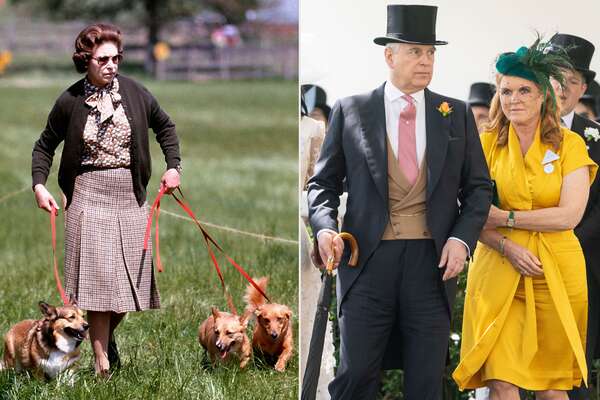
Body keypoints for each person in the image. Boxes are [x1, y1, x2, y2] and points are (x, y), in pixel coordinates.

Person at [307, 5, 492, 399]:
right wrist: (324, 229)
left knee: (426, 383)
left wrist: (461, 241)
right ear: (389, 55)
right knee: (355, 376)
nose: (425, 61)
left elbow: (478, 188)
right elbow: (322, 184)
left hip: (432, 265)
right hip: (367, 263)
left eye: (430, 52)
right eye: (414, 52)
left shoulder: (455, 114)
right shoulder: (351, 110)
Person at [31, 23, 181, 377]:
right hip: (88, 194)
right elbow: (44, 146)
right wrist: (40, 185)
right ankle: (102, 366)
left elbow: (166, 127)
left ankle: (102, 339)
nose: (111, 65)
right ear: (86, 60)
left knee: (127, 290)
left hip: (130, 195)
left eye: (116, 58)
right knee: (99, 286)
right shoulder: (69, 101)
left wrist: (174, 167)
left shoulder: (135, 92)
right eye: (103, 59)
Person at [453, 37, 597, 399]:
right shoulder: (483, 144)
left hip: (555, 273)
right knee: (500, 378)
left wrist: (507, 218)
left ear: (542, 96)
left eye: (524, 90)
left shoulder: (570, 144)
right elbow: (471, 215)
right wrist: (505, 244)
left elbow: (569, 215)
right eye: (506, 91)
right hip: (498, 269)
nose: (513, 99)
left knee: (551, 386)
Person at [549, 33, 600, 400]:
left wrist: (563, 244)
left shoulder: (596, 139)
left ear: (583, 87)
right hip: (522, 261)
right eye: (555, 76)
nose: (561, 88)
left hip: (581, 267)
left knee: (572, 373)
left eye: (572, 80)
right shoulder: (514, 130)